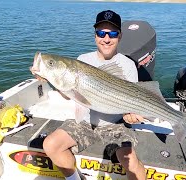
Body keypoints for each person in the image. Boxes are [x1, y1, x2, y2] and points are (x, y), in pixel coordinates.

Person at [42, 10, 146, 180]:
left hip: (115, 124)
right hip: (86, 123)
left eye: (112, 33)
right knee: (51, 144)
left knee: (131, 161)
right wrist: (48, 76)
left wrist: (131, 116)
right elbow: (69, 94)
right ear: (95, 36)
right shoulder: (82, 59)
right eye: (101, 33)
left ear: (119, 36)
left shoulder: (127, 65)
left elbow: (131, 102)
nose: (106, 39)